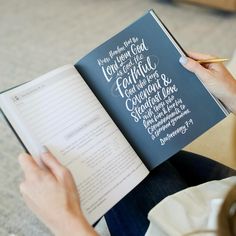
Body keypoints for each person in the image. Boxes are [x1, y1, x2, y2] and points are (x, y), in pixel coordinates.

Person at [18, 52, 236, 236]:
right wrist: (232, 94)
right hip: (226, 196)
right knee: (136, 147)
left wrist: (67, 222)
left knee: (111, 163)